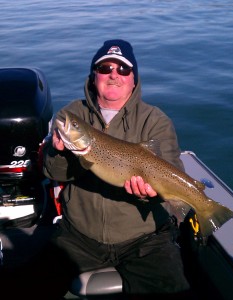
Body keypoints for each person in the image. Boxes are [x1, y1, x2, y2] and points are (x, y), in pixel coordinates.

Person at [2, 39, 194, 300]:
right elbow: (52, 172)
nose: (113, 75)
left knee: (173, 290)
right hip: (79, 234)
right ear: (94, 76)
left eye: (123, 70)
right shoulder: (72, 114)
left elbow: (171, 171)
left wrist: (149, 194)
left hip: (144, 237)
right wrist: (58, 151)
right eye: (105, 68)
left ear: (133, 79)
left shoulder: (156, 121)